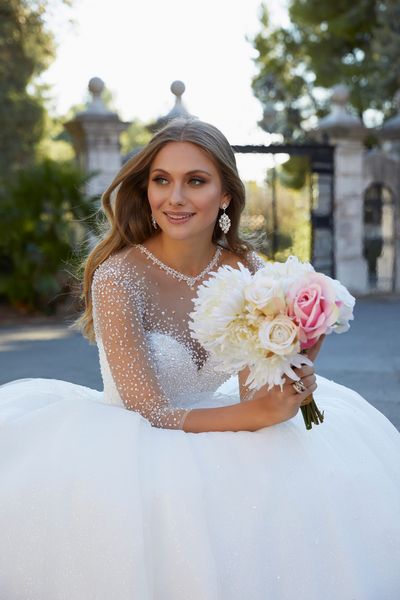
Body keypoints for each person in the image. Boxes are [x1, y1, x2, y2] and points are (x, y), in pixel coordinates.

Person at [0, 117, 399, 600]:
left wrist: (295, 364)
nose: (176, 198)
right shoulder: (119, 278)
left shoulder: (251, 271)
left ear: (226, 194)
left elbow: (257, 390)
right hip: (132, 443)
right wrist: (254, 413)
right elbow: (150, 412)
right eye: (161, 180)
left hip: (227, 426)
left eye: (196, 181)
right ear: (145, 189)